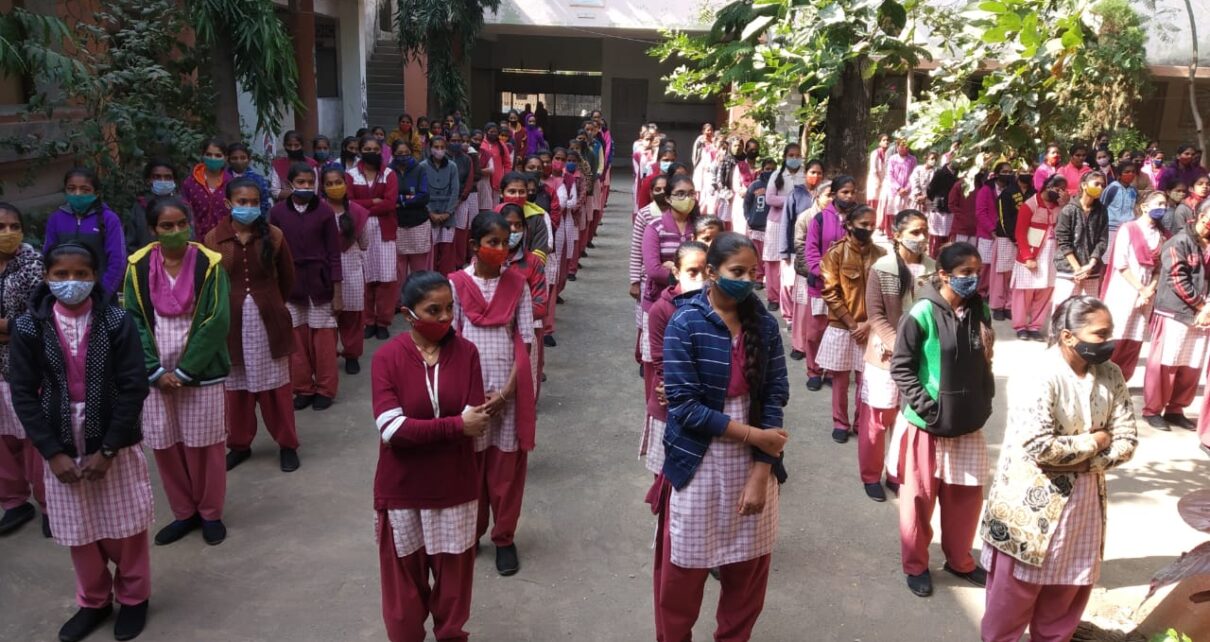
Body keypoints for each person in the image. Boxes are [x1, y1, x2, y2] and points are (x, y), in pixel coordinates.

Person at [10, 242, 152, 642]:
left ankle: (135, 597)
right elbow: (23, 393)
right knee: (79, 527)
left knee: (126, 525)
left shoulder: (116, 320)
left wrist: (108, 449)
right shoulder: (29, 326)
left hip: (113, 435)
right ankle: (94, 600)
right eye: (61, 275)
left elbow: (133, 386)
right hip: (58, 437)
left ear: (95, 277)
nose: (71, 282)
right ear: (46, 277)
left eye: (81, 274)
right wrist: (52, 452)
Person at [652, 231, 789, 642]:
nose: (747, 280)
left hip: (752, 464)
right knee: (682, 574)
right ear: (712, 273)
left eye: (753, 272)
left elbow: (774, 396)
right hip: (698, 460)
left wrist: (761, 473)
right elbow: (685, 408)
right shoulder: (685, 322)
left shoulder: (764, 325)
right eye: (737, 272)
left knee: (748, 571)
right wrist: (755, 437)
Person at [979, 296, 1137, 642]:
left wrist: (1085, 460)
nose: (1109, 341)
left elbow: (1127, 440)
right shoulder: (1037, 374)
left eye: (1109, 333)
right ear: (1067, 336)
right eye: (1100, 334)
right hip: (1028, 512)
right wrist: (1096, 441)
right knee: (1010, 604)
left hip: (1083, 511)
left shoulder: (1110, 374)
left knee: (1063, 602)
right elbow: (1040, 446)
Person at [372, 271, 489, 642]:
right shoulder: (386, 359)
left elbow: (476, 421)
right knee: (403, 595)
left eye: (449, 308)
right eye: (433, 310)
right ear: (408, 314)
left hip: (455, 489)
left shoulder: (467, 354)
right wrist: (455, 426)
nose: (444, 318)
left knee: (453, 591)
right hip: (401, 492)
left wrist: (421, 430)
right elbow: (392, 430)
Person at [123, 197, 231, 547]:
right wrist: (154, 371)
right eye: (167, 226)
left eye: (182, 224)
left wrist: (185, 371)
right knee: (166, 445)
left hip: (201, 369)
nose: (176, 231)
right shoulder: (138, 266)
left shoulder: (209, 263)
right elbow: (133, 320)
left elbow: (216, 321)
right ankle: (184, 512)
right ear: (152, 230)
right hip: (156, 375)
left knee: (206, 445)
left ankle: (210, 513)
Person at [890, 241, 994, 598]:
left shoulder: (980, 309)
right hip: (927, 424)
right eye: (966, 273)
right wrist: (927, 407)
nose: (973, 279)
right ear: (945, 275)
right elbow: (901, 368)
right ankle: (916, 565)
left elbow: (986, 359)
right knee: (918, 499)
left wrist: (985, 399)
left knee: (966, 498)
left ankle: (960, 560)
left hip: (968, 423)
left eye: (977, 272)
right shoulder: (921, 313)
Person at [450, 211, 535, 577]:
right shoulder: (455, 284)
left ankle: (504, 538)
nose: (501, 248)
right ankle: (470, 535)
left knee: (505, 472)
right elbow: (450, 340)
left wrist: (505, 393)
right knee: (469, 470)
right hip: (467, 395)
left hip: (508, 393)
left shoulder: (518, 284)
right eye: (493, 242)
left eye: (505, 242)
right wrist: (468, 394)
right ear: (474, 245)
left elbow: (525, 342)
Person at [204, 178, 300, 474]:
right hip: (231, 325)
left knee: (276, 389)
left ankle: (287, 444)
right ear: (228, 203)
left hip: (268, 322)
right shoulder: (213, 239)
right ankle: (239, 444)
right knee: (237, 390)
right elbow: (209, 285)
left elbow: (287, 278)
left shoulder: (274, 235)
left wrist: (273, 303)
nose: (248, 207)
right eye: (242, 202)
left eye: (254, 202)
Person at [862, 210, 933, 502]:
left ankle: (896, 473)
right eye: (915, 232)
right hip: (885, 354)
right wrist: (897, 344)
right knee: (877, 418)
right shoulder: (882, 268)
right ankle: (870, 476)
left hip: (920, 355)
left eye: (924, 231)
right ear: (897, 234)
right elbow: (875, 315)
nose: (921, 238)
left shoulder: (933, 268)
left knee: (907, 418)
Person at [271, 164, 343, 412]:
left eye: (310, 182)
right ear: (290, 184)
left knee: (323, 341)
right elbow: (273, 251)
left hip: (320, 284)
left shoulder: (324, 211)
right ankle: (303, 388)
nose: (306, 186)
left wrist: (337, 292)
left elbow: (334, 253)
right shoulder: (278, 212)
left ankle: (325, 389)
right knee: (297, 341)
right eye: (300, 182)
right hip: (291, 285)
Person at [819, 205, 885, 444]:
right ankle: (840, 422)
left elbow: (887, 295)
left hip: (871, 327)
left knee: (865, 377)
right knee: (840, 378)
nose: (869, 228)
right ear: (849, 225)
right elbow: (830, 293)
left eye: (872, 224)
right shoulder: (835, 254)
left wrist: (868, 324)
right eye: (863, 224)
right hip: (842, 326)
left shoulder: (882, 255)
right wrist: (852, 324)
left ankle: (860, 422)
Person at [1142, 199, 1210, 431]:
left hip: (1203, 314)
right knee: (1165, 364)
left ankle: (1175, 409)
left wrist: (1207, 308)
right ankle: (1152, 410)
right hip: (1174, 312)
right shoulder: (1179, 241)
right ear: (1201, 216)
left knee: (1191, 365)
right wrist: (1202, 306)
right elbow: (1177, 279)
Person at [642, 241, 708, 474]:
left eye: (705, 272)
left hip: (705, 402)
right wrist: (676, 391)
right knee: (667, 474)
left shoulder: (716, 305)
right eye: (692, 272)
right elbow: (661, 361)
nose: (700, 279)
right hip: (670, 400)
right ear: (676, 272)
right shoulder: (661, 310)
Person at [0, 203, 45, 537]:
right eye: (1, 227)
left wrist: (7, 327)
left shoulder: (33, 264)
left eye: (14, 226)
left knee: (34, 437)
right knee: (2, 441)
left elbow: (40, 319)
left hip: (26, 364)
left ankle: (49, 503)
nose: (9, 233)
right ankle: (14, 502)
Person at [1102, 191, 1165, 381]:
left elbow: (1159, 268)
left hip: (1147, 292)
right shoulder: (1128, 229)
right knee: (1116, 332)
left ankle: (1122, 380)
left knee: (1135, 337)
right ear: (1144, 207)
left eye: (1165, 205)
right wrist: (1141, 289)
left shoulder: (1162, 235)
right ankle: (1104, 376)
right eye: (1159, 204)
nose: (1163, 208)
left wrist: (1149, 290)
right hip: (1125, 287)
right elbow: (1121, 264)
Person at [804, 177, 859, 391]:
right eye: (845, 192)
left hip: (848, 289)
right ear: (834, 194)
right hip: (821, 286)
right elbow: (811, 254)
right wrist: (826, 275)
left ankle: (831, 370)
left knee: (837, 331)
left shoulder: (858, 219)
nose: (849, 196)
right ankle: (814, 371)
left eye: (852, 192)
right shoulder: (819, 219)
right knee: (815, 333)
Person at [347, 134, 401, 340]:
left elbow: (390, 203)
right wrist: (373, 201)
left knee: (386, 279)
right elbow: (349, 202)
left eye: (375, 150)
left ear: (381, 151)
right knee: (366, 278)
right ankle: (368, 321)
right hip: (361, 231)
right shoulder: (351, 175)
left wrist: (364, 205)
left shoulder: (389, 174)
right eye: (367, 149)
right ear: (360, 151)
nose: (371, 153)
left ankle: (383, 321)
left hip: (385, 231)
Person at [45, 168, 127, 298]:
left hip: (99, 293)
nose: (77, 194)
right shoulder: (56, 218)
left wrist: (103, 294)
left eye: (85, 190)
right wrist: (57, 291)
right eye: (71, 189)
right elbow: (48, 257)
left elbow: (117, 261)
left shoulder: (108, 219)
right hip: (63, 293)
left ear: (96, 193)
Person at [321, 167, 370, 375]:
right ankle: (328, 355)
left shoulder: (357, 212)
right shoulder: (318, 211)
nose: (334, 187)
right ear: (322, 187)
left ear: (346, 183)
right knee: (327, 316)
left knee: (352, 315)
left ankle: (352, 354)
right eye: (329, 183)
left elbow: (365, 243)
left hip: (351, 269)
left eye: (338, 182)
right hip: (324, 269)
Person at [499, 204, 549, 394]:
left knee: (524, 387)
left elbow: (540, 304)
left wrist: (506, 315)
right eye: (508, 224)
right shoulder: (482, 262)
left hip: (524, 333)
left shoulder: (532, 263)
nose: (513, 230)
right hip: (492, 334)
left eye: (518, 225)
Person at [1011, 175, 1067, 341]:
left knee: (1046, 290)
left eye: (1063, 189)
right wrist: (1027, 256)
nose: (1060, 192)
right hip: (1032, 253)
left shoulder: (1060, 207)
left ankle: (1035, 326)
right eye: (1057, 188)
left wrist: (1066, 204)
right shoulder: (1030, 205)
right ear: (1047, 187)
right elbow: (1020, 233)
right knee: (1024, 291)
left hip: (1052, 254)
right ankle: (1021, 326)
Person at [789, 177, 831, 366]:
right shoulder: (806, 216)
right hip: (807, 272)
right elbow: (800, 245)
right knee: (803, 312)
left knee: (822, 317)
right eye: (828, 195)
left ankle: (822, 353)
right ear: (817, 195)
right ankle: (799, 345)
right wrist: (812, 270)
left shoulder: (839, 218)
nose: (831, 199)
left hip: (828, 276)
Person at [761, 145, 806, 312]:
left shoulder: (805, 175)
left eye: (797, 155)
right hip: (777, 222)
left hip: (797, 223)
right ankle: (773, 297)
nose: (794, 158)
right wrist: (791, 200)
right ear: (785, 157)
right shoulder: (776, 175)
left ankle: (790, 296)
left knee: (790, 259)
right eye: (791, 155)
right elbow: (770, 199)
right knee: (773, 260)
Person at [976, 162, 1022, 320]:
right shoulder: (986, 190)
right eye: (1004, 171)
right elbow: (981, 212)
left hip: (1006, 235)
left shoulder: (1014, 191)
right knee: (986, 268)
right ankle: (983, 293)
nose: (1007, 174)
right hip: (988, 234)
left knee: (1006, 270)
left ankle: (1003, 301)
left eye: (1010, 172)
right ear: (996, 174)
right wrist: (992, 229)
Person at [1054, 171, 1109, 302]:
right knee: (1064, 308)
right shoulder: (1069, 210)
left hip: (1091, 270)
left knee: (1088, 309)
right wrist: (1078, 269)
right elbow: (1063, 241)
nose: (1100, 188)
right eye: (1096, 184)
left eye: (1102, 185)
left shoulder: (1102, 211)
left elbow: (1102, 241)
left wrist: (1091, 265)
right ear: (1084, 185)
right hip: (1068, 269)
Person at [420, 136, 461, 278]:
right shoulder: (423, 166)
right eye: (436, 147)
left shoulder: (452, 166)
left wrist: (448, 212)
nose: (439, 150)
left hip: (448, 214)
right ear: (430, 148)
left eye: (442, 147)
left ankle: (446, 279)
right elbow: (422, 191)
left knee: (447, 249)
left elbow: (455, 191)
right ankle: (431, 280)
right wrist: (430, 212)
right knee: (431, 250)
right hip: (429, 214)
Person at [181, 139, 231, 241]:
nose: (213, 158)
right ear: (202, 156)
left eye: (218, 155)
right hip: (196, 241)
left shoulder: (232, 183)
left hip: (224, 240)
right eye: (209, 154)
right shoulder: (190, 183)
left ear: (225, 158)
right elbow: (184, 213)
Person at [125, 160, 172, 254]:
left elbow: (190, 240)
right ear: (148, 180)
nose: (163, 181)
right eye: (157, 177)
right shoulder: (139, 207)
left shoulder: (183, 207)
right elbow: (131, 243)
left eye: (168, 177)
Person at [877, 140, 917, 236]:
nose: (903, 149)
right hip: (894, 190)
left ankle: (903, 233)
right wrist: (898, 188)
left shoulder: (912, 159)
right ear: (897, 147)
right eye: (901, 146)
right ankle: (892, 234)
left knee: (905, 213)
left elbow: (914, 175)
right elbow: (890, 174)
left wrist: (906, 188)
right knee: (892, 211)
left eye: (905, 147)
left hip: (907, 190)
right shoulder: (893, 159)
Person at [1101, 161, 1139, 257]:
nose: (1130, 174)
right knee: (1109, 255)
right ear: (1119, 174)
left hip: (1128, 227)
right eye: (1127, 172)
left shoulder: (1133, 190)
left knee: (1125, 255)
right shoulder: (1112, 189)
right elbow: (1101, 206)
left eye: (1133, 172)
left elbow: (1135, 207)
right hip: (1112, 227)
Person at [225, 143, 272, 217]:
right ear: (228, 160)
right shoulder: (223, 180)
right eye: (234, 158)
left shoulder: (259, 180)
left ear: (249, 159)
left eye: (243, 158)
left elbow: (264, 205)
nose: (239, 161)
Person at [269, 130, 319, 201]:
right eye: (289, 145)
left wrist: (291, 193)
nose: (293, 149)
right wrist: (298, 193)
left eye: (296, 145)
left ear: (302, 146)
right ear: (284, 146)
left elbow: (315, 191)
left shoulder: (311, 164)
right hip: (284, 205)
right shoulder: (278, 164)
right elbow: (275, 191)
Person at [867, 134, 890, 215]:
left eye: (887, 140)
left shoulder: (889, 154)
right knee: (873, 200)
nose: (886, 142)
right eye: (884, 140)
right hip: (875, 181)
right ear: (879, 143)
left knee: (883, 202)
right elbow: (873, 169)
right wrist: (878, 181)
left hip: (885, 182)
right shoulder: (875, 153)